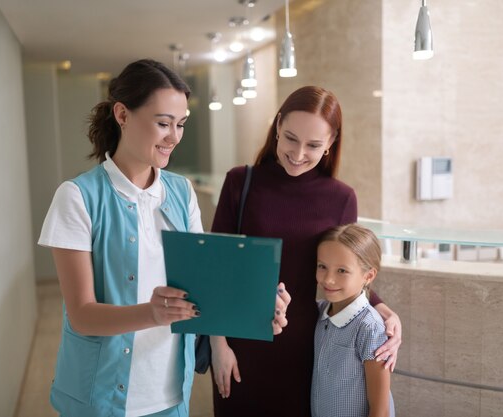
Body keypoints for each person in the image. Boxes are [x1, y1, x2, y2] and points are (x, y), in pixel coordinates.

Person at [38, 59, 290, 417]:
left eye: (181, 124)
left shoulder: (181, 192)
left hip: (170, 392)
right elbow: (81, 315)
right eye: (163, 123)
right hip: (100, 398)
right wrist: (152, 314)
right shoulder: (78, 197)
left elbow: (206, 286)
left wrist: (260, 304)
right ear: (122, 115)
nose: (174, 136)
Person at [209, 86, 402, 417]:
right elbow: (216, 268)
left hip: (307, 350)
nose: (298, 153)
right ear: (278, 126)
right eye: (290, 138)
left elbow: (345, 270)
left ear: (331, 142)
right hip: (241, 343)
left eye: (313, 145)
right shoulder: (240, 182)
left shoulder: (340, 197)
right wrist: (218, 344)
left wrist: (383, 309)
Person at [312, 223, 394, 417]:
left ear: (368, 275)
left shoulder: (370, 327)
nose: (328, 279)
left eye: (342, 271)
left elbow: (380, 410)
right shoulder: (320, 312)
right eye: (322, 266)